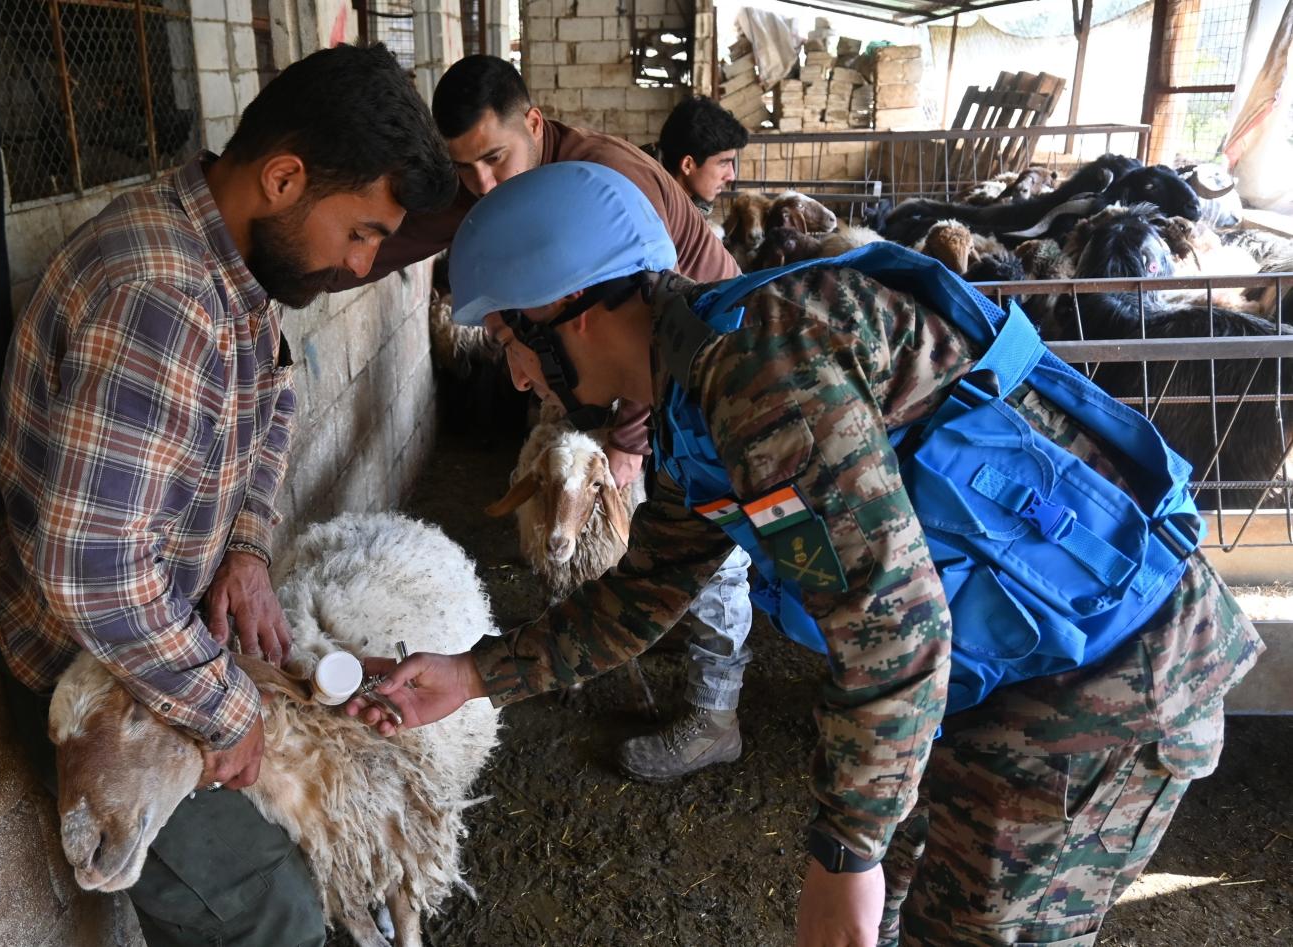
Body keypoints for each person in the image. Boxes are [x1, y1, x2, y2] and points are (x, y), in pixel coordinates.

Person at [346, 161, 1264, 947]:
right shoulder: (696, 397)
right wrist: (472, 675)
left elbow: (892, 626)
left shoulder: (758, 374)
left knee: (972, 922)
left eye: (511, 339)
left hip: (1111, 678)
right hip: (1005, 666)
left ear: (566, 313)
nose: (512, 372)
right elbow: (641, 594)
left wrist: (844, 853)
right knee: (907, 892)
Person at [0, 44, 455, 947]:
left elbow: (271, 402)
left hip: (161, 635)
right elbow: (92, 573)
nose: (361, 267)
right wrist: (225, 710)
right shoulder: (158, 296)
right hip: (97, 676)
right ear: (284, 177)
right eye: (359, 232)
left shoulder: (237, 271)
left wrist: (243, 544)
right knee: (271, 911)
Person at [333, 53, 756, 781]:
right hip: (641, 381)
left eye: (495, 158)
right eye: (468, 169)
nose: (484, 186)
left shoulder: (608, 187)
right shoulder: (506, 189)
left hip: (703, 366)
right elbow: (637, 597)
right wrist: (471, 676)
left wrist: (627, 445)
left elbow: (648, 319)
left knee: (720, 549)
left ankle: (714, 715)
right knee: (666, 541)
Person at [656, 95, 749, 215]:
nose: (731, 176)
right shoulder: (647, 208)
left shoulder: (691, 202)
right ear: (688, 165)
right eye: (723, 163)